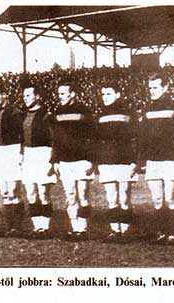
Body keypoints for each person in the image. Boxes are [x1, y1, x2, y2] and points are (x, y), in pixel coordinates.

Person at [139, 73, 174, 245]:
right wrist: (142, 160)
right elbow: (142, 137)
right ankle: (161, 232)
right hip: (153, 161)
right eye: (150, 88)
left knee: (170, 198)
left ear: (165, 87)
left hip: (171, 159)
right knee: (157, 199)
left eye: (155, 88)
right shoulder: (147, 109)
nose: (152, 91)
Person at [49, 81, 95, 241]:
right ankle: (75, 228)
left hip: (81, 159)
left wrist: (90, 159)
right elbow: (55, 138)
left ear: (72, 94)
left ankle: (83, 229)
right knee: (70, 195)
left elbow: (92, 137)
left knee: (83, 195)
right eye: (59, 93)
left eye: (63, 93)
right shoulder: (57, 112)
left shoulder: (84, 110)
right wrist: (55, 160)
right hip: (65, 161)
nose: (60, 96)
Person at [95, 83, 138, 243]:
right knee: (111, 196)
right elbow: (96, 141)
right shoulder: (99, 115)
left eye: (108, 93)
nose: (105, 97)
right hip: (107, 160)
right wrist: (97, 161)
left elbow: (136, 139)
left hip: (125, 160)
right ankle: (115, 230)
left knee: (124, 196)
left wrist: (135, 161)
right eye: (103, 94)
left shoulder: (128, 113)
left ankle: (125, 230)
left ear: (118, 94)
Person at [0, 84, 24, 237]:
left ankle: (18, 227)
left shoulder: (15, 112)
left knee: (14, 191)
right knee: (5, 191)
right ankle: (10, 227)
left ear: (4, 95)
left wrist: (21, 153)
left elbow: (23, 134)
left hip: (13, 150)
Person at [20, 82, 55, 238]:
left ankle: (45, 227)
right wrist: (21, 154)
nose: (25, 98)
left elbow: (54, 139)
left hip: (43, 153)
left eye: (28, 95)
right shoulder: (23, 115)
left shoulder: (47, 115)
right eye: (24, 96)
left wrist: (53, 159)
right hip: (28, 154)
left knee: (43, 192)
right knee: (31, 192)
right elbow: (21, 137)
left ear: (38, 96)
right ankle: (37, 227)